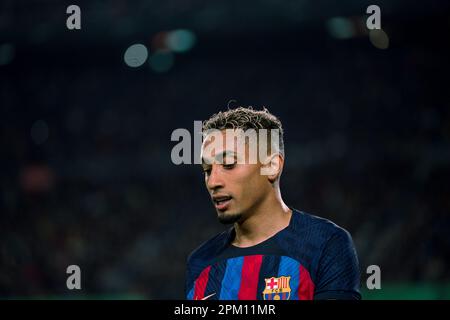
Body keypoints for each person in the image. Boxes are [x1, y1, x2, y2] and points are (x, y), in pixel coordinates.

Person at [185, 107, 361, 300]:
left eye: (228, 164)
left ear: (271, 166)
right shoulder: (200, 261)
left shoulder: (326, 243)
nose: (213, 182)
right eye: (207, 170)